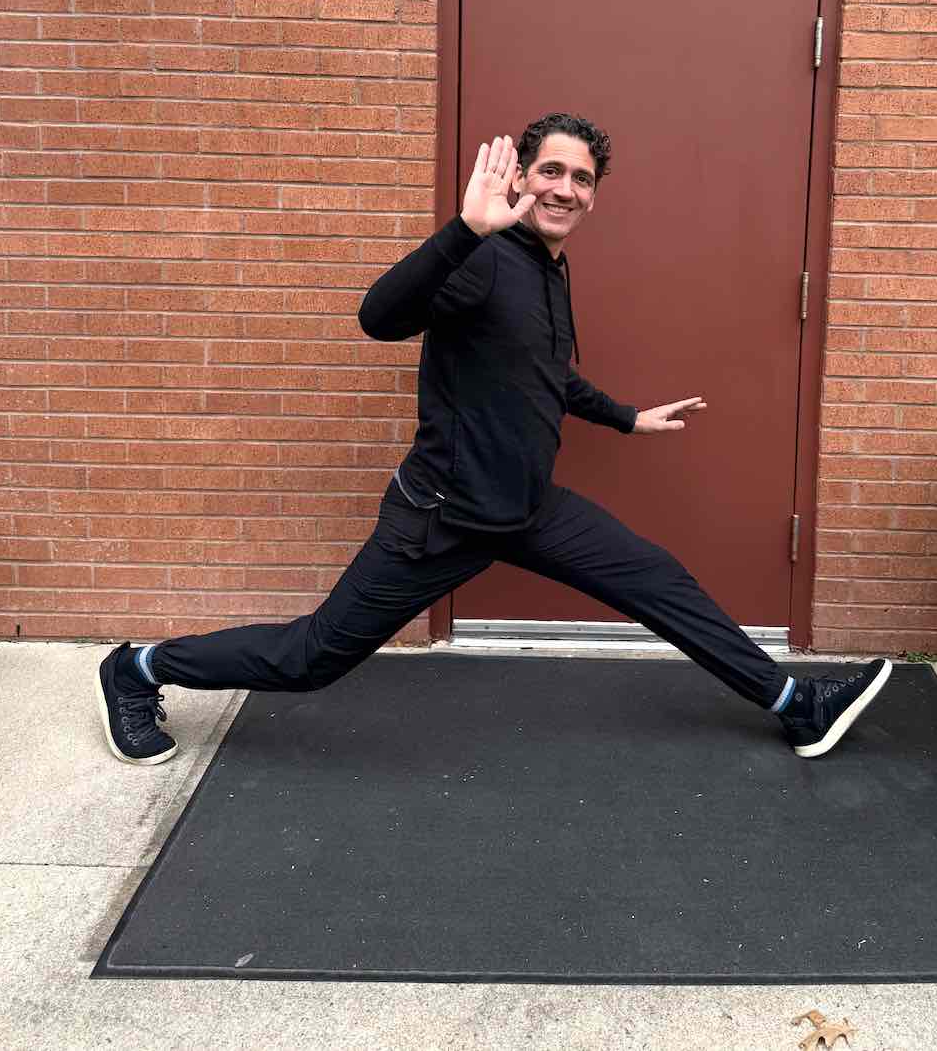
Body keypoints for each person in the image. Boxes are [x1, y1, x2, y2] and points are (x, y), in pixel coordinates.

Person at [96, 113, 891, 767]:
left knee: (656, 578)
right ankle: (137, 669)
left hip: (525, 507)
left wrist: (627, 418)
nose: (566, 189)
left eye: (582, 179)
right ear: (519, 177)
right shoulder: (482, 258)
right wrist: (463, 232)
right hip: (439, 519)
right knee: (311, 659)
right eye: (551, 171)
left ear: (594, 198)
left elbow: (547, 375)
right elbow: (379, 318)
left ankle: (793, 703)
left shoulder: (549, 268)